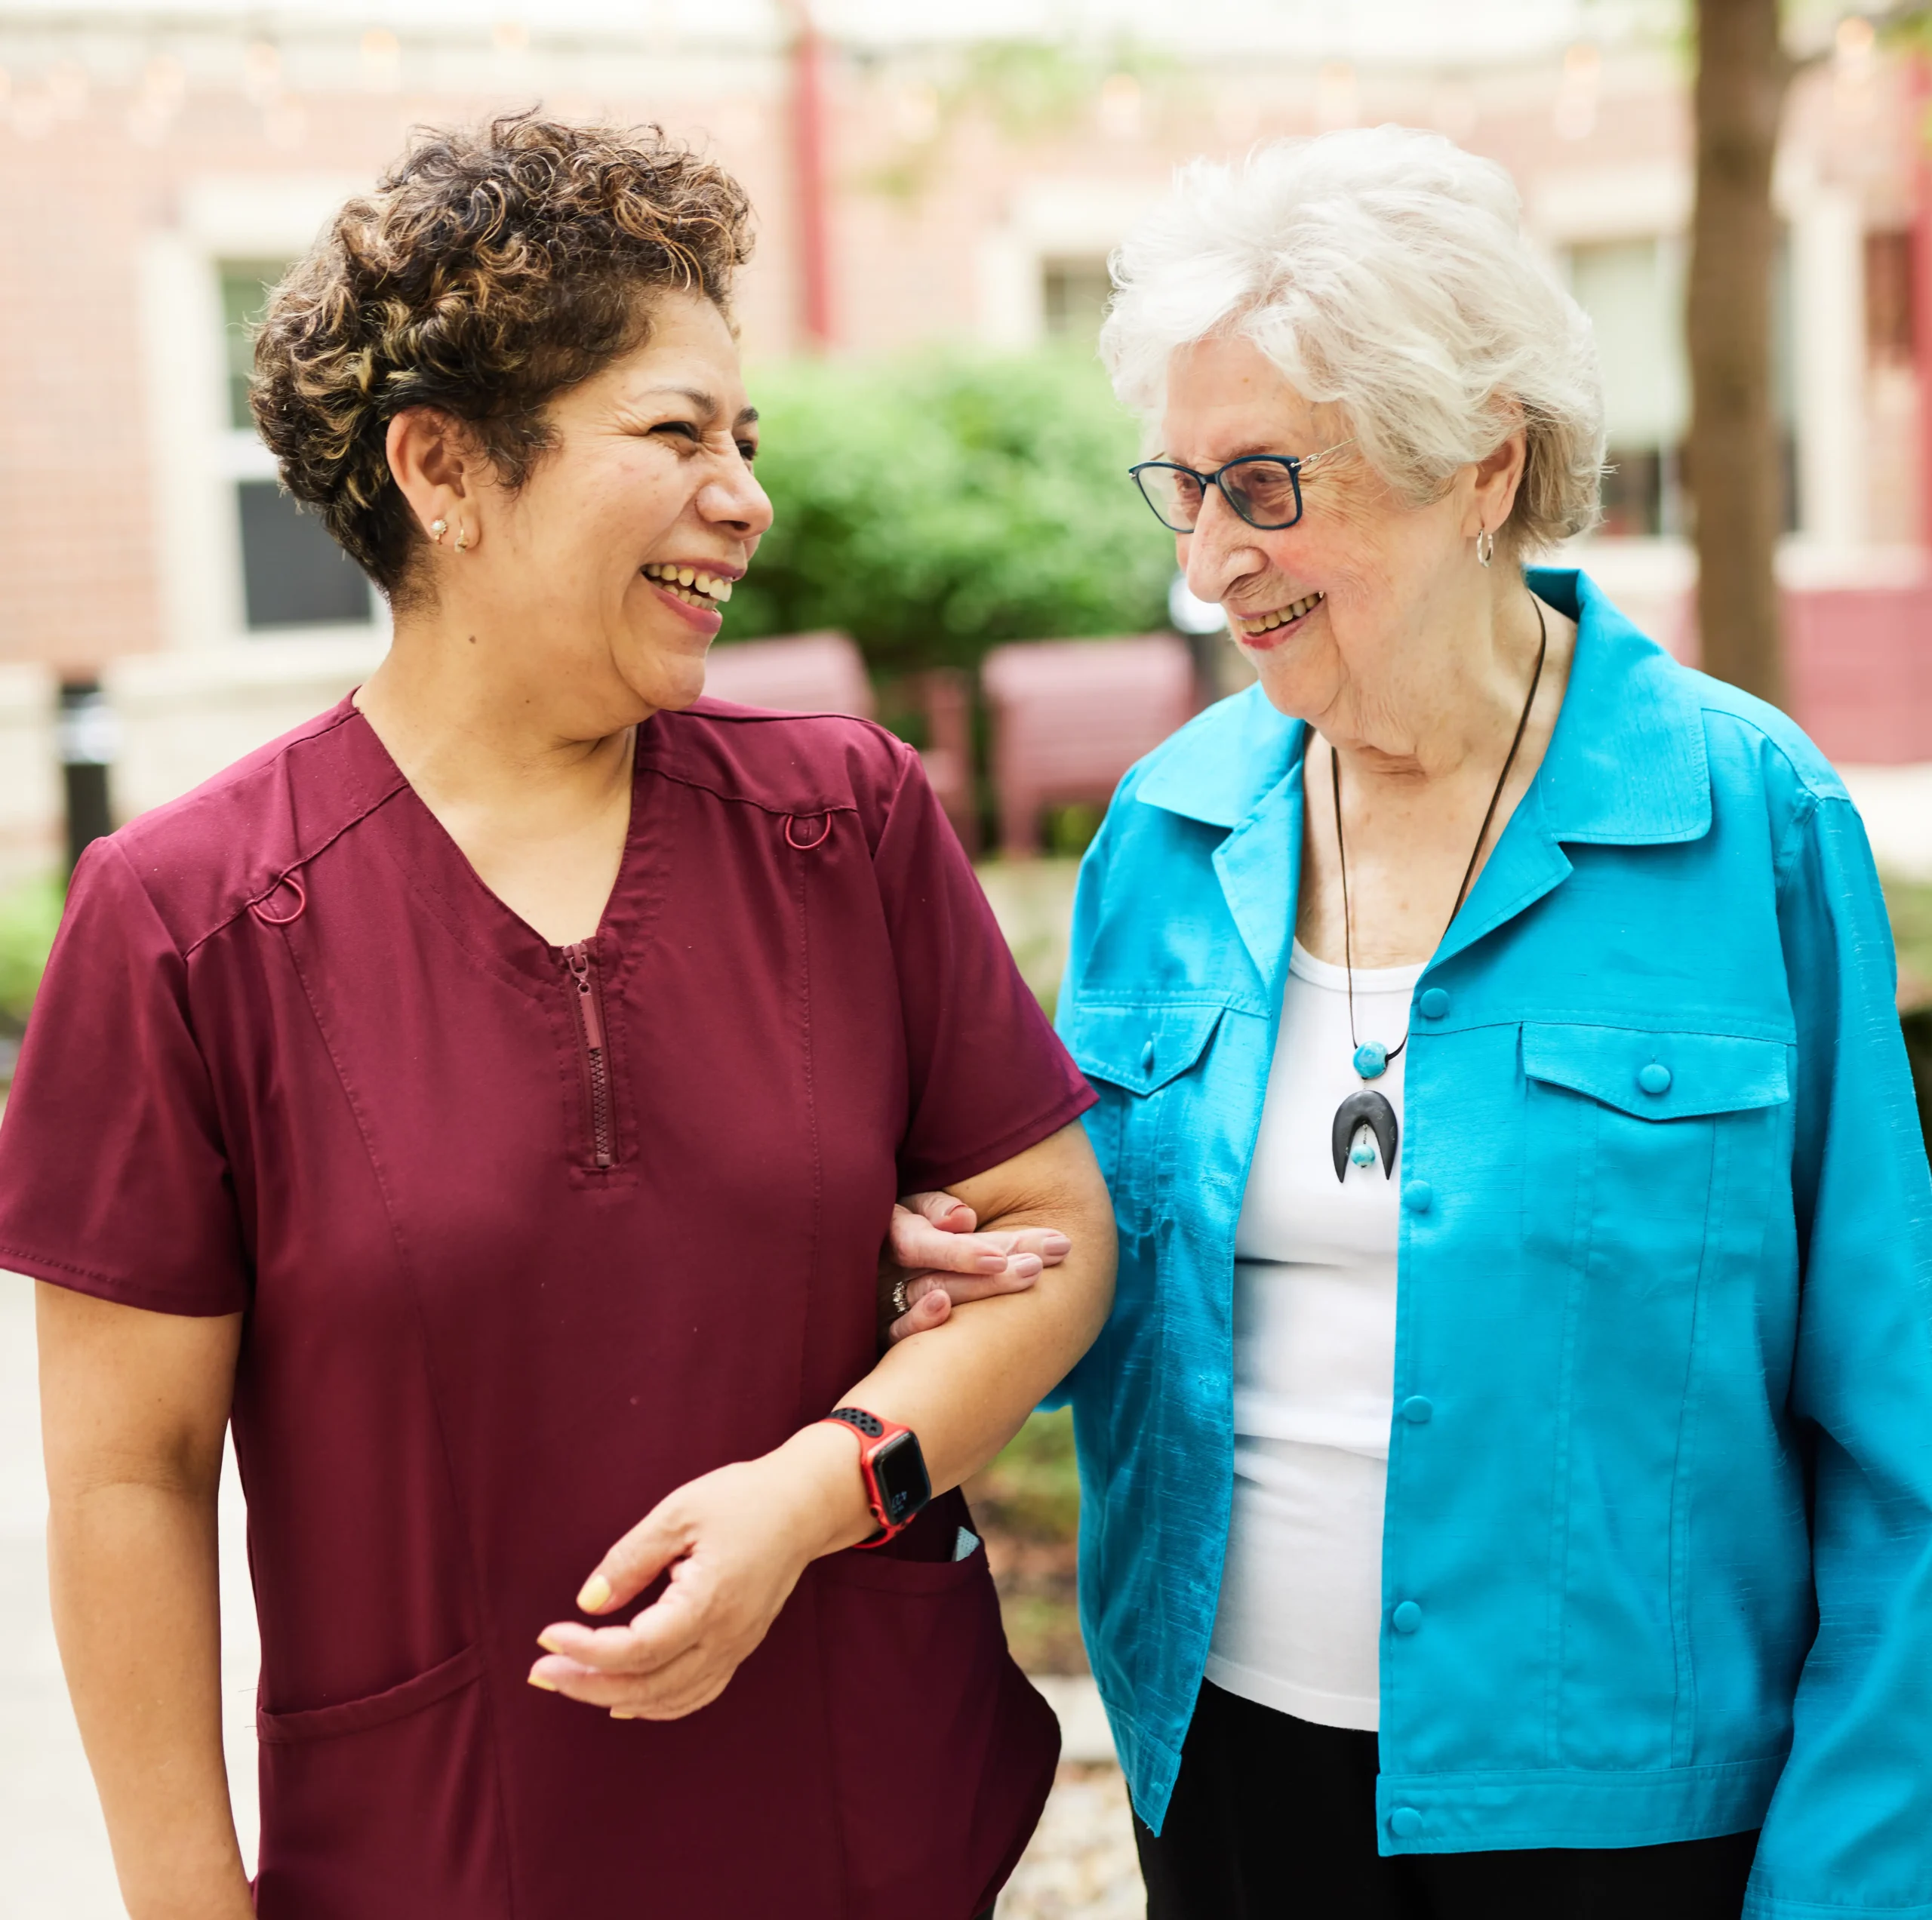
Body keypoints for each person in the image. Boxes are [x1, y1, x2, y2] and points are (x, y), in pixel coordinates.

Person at [0, 115, 1115, 1920]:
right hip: (444, 1848)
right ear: (444, 467)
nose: (745, 494)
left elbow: (1058, 1238)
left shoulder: (844, 819)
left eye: (743, 440)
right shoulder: (184, 924)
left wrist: (816, 1495)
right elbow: (127, 1478)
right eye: (674, 434)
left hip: (857, 1825)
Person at [1041, 127, 1932, 1918]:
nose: (1207, 562)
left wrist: (1848, 1874)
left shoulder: (1743, 821)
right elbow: (1083, 1297)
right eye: (1185, 486)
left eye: (1268, 485)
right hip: (1220, 1783)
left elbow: (1894, 1426)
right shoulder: (1165, 827)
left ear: (1479, 463)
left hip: (1625, 1827)